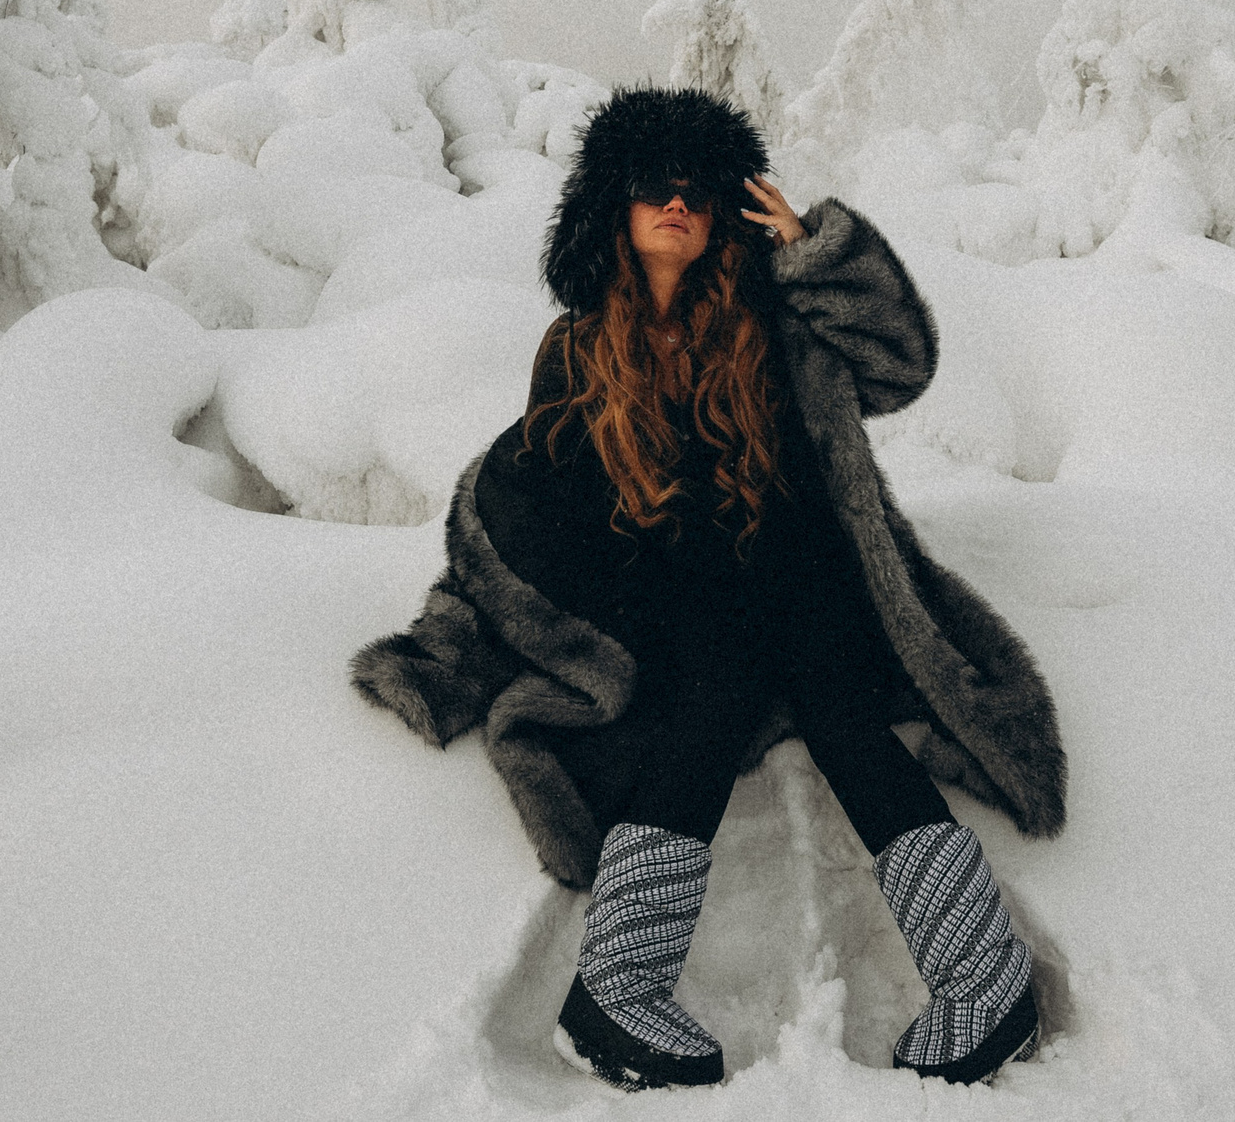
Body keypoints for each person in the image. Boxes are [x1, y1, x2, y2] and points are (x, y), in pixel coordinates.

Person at [352, 86, 1066, 1091]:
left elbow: (901, 364)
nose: (676, 204)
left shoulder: (777, 316)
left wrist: (813, 247)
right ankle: (617, 989)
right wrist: (461, 626)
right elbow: (537, 508)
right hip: (678, 601)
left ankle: (984, 980)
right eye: (653, 186)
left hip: (811, 579)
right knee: (711, 692)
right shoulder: (573, 348)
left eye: (698, 187)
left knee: (842, 711)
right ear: (614, 202)